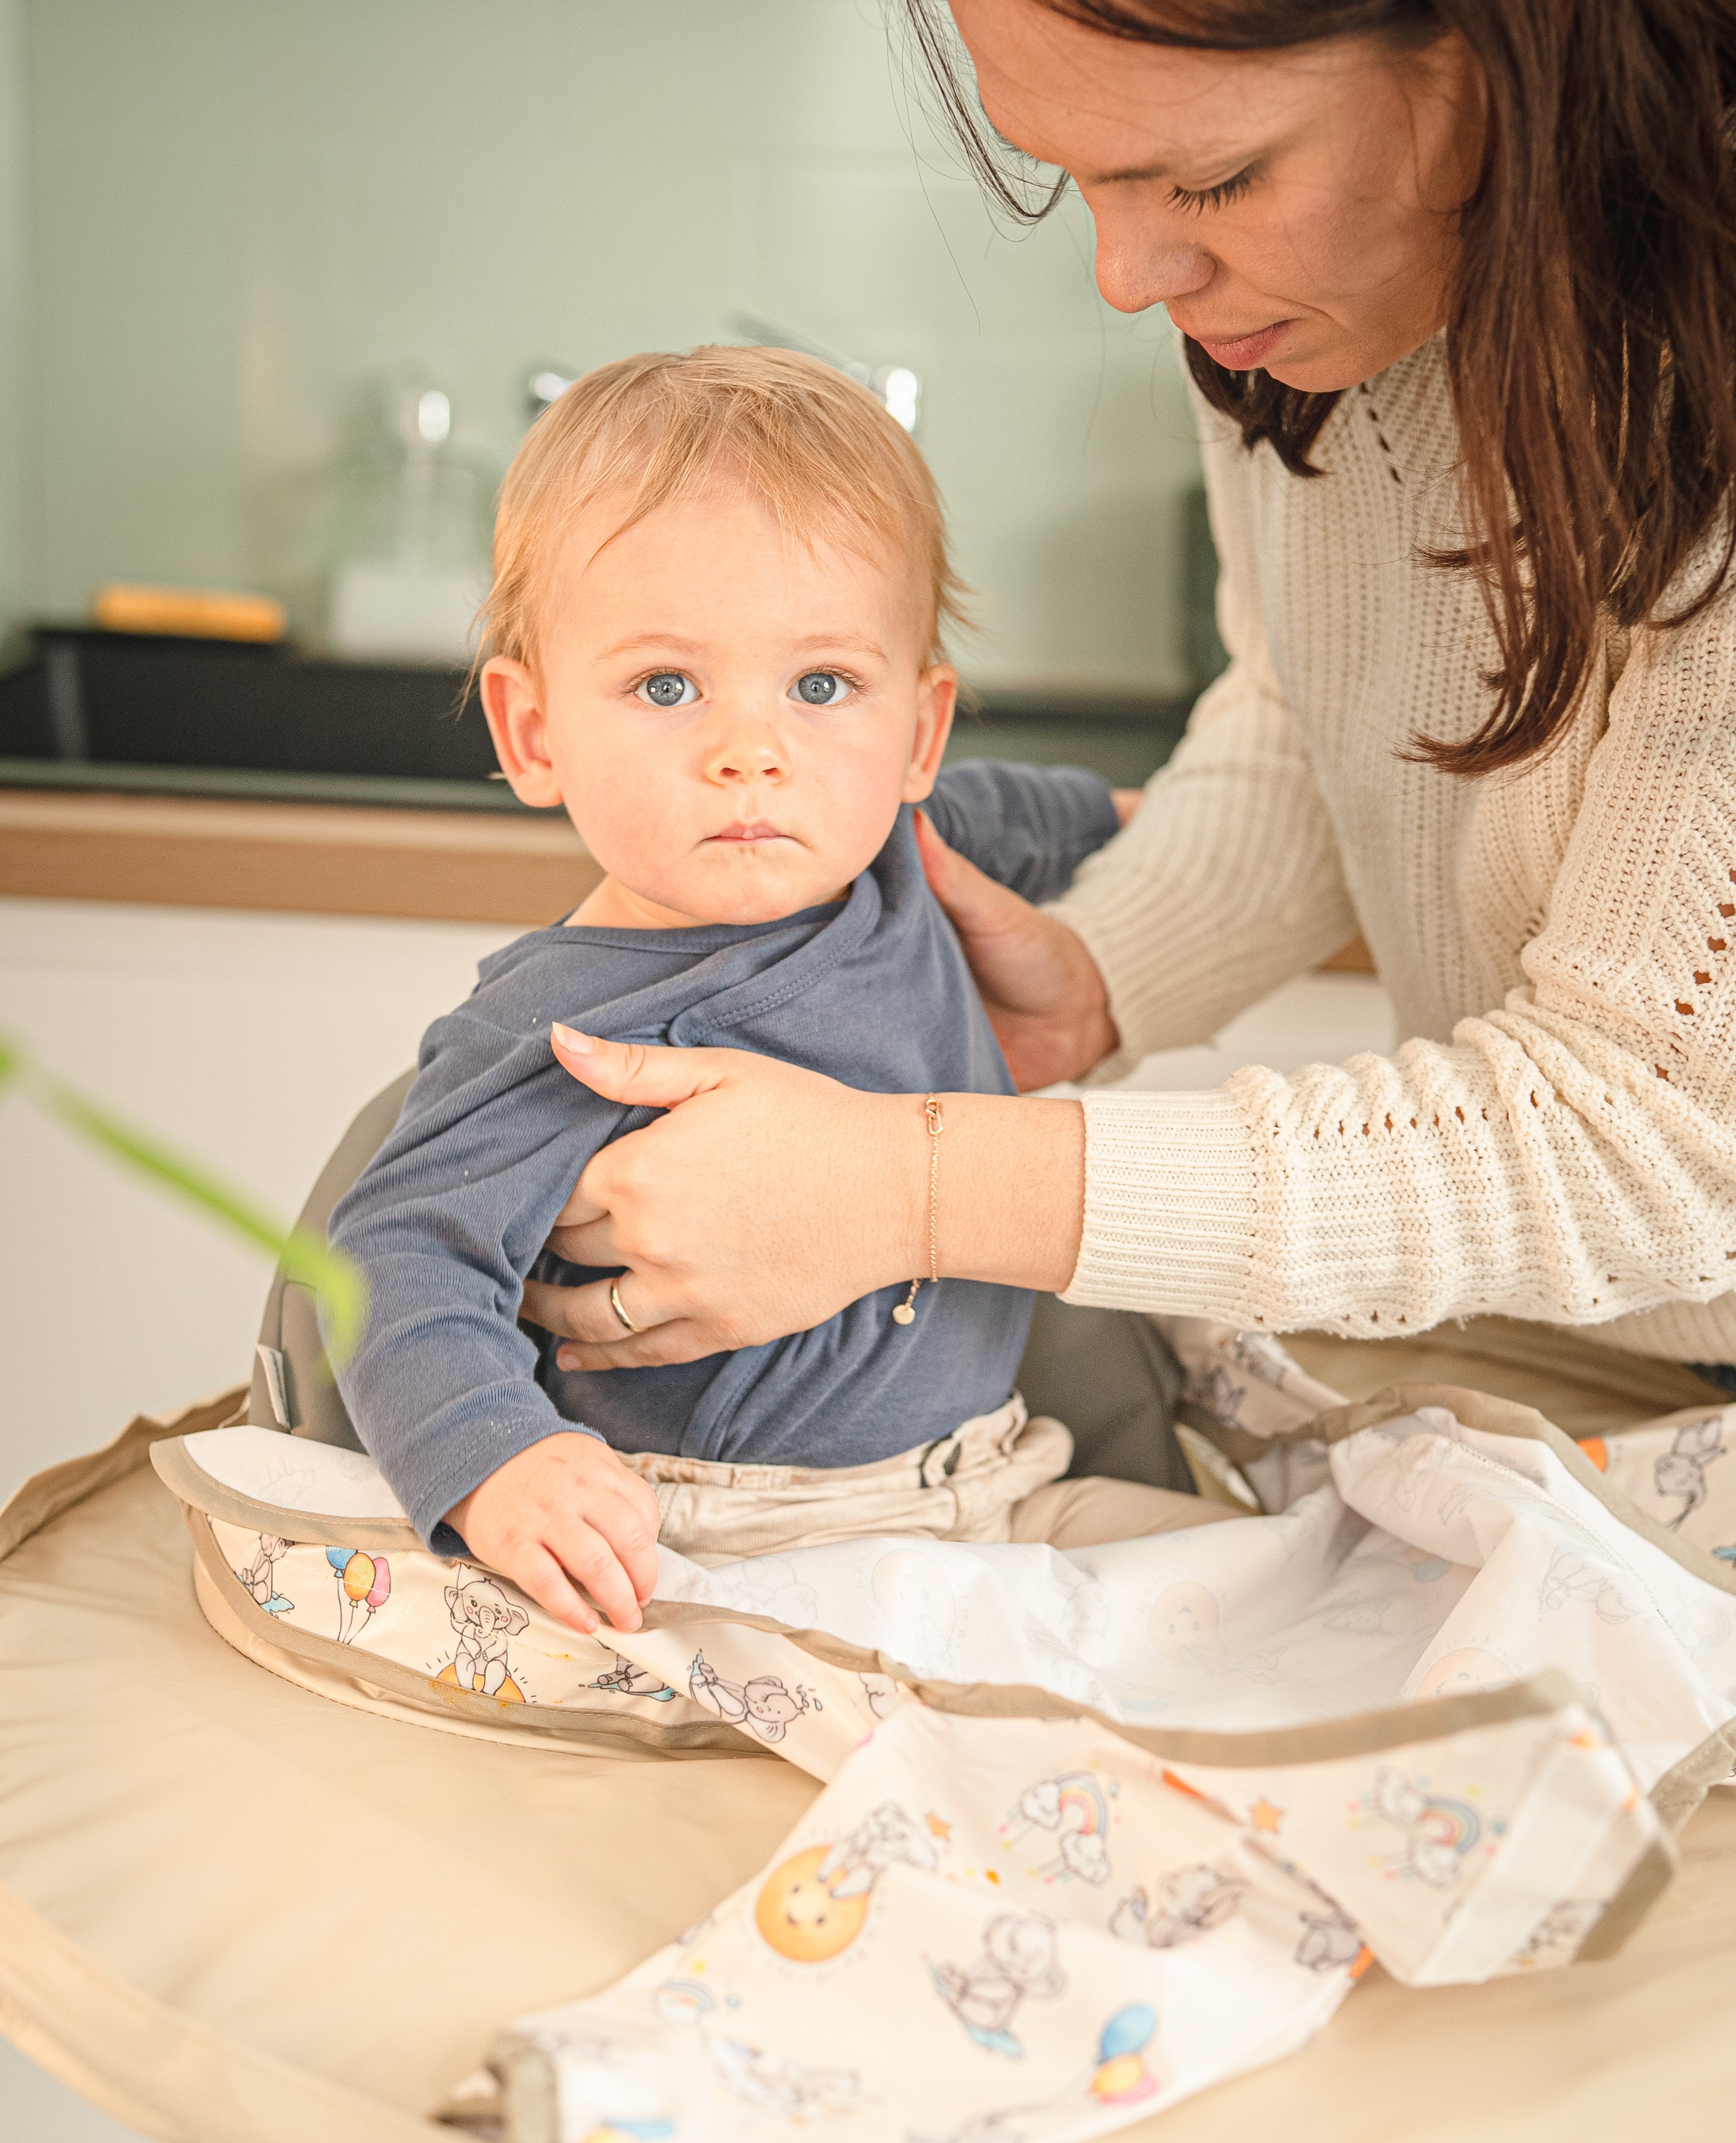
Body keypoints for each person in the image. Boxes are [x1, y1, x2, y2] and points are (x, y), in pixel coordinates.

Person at [507, 5, 1736, 2143]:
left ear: (1509, 54)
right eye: (1075, 185)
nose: (1128, 275)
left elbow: (1659, 1124)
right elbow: (1318, 724)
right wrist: (1092, 982)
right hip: (1578, 1401)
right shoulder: (1318, 329)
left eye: (1206, 176)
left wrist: (961, 1172)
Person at [327, 345, 1224, 1640]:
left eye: (821, 687)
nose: (753, 751)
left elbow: (1041, 812)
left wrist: (1159, 822)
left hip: (994, 1485)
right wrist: (496, 1460)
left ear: (917, 733)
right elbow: (395, 1256)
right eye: (666, 686)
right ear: (533, 735)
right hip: (728, 1537)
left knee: (1312, 1588)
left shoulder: (915, 847)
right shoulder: (560, 1023)